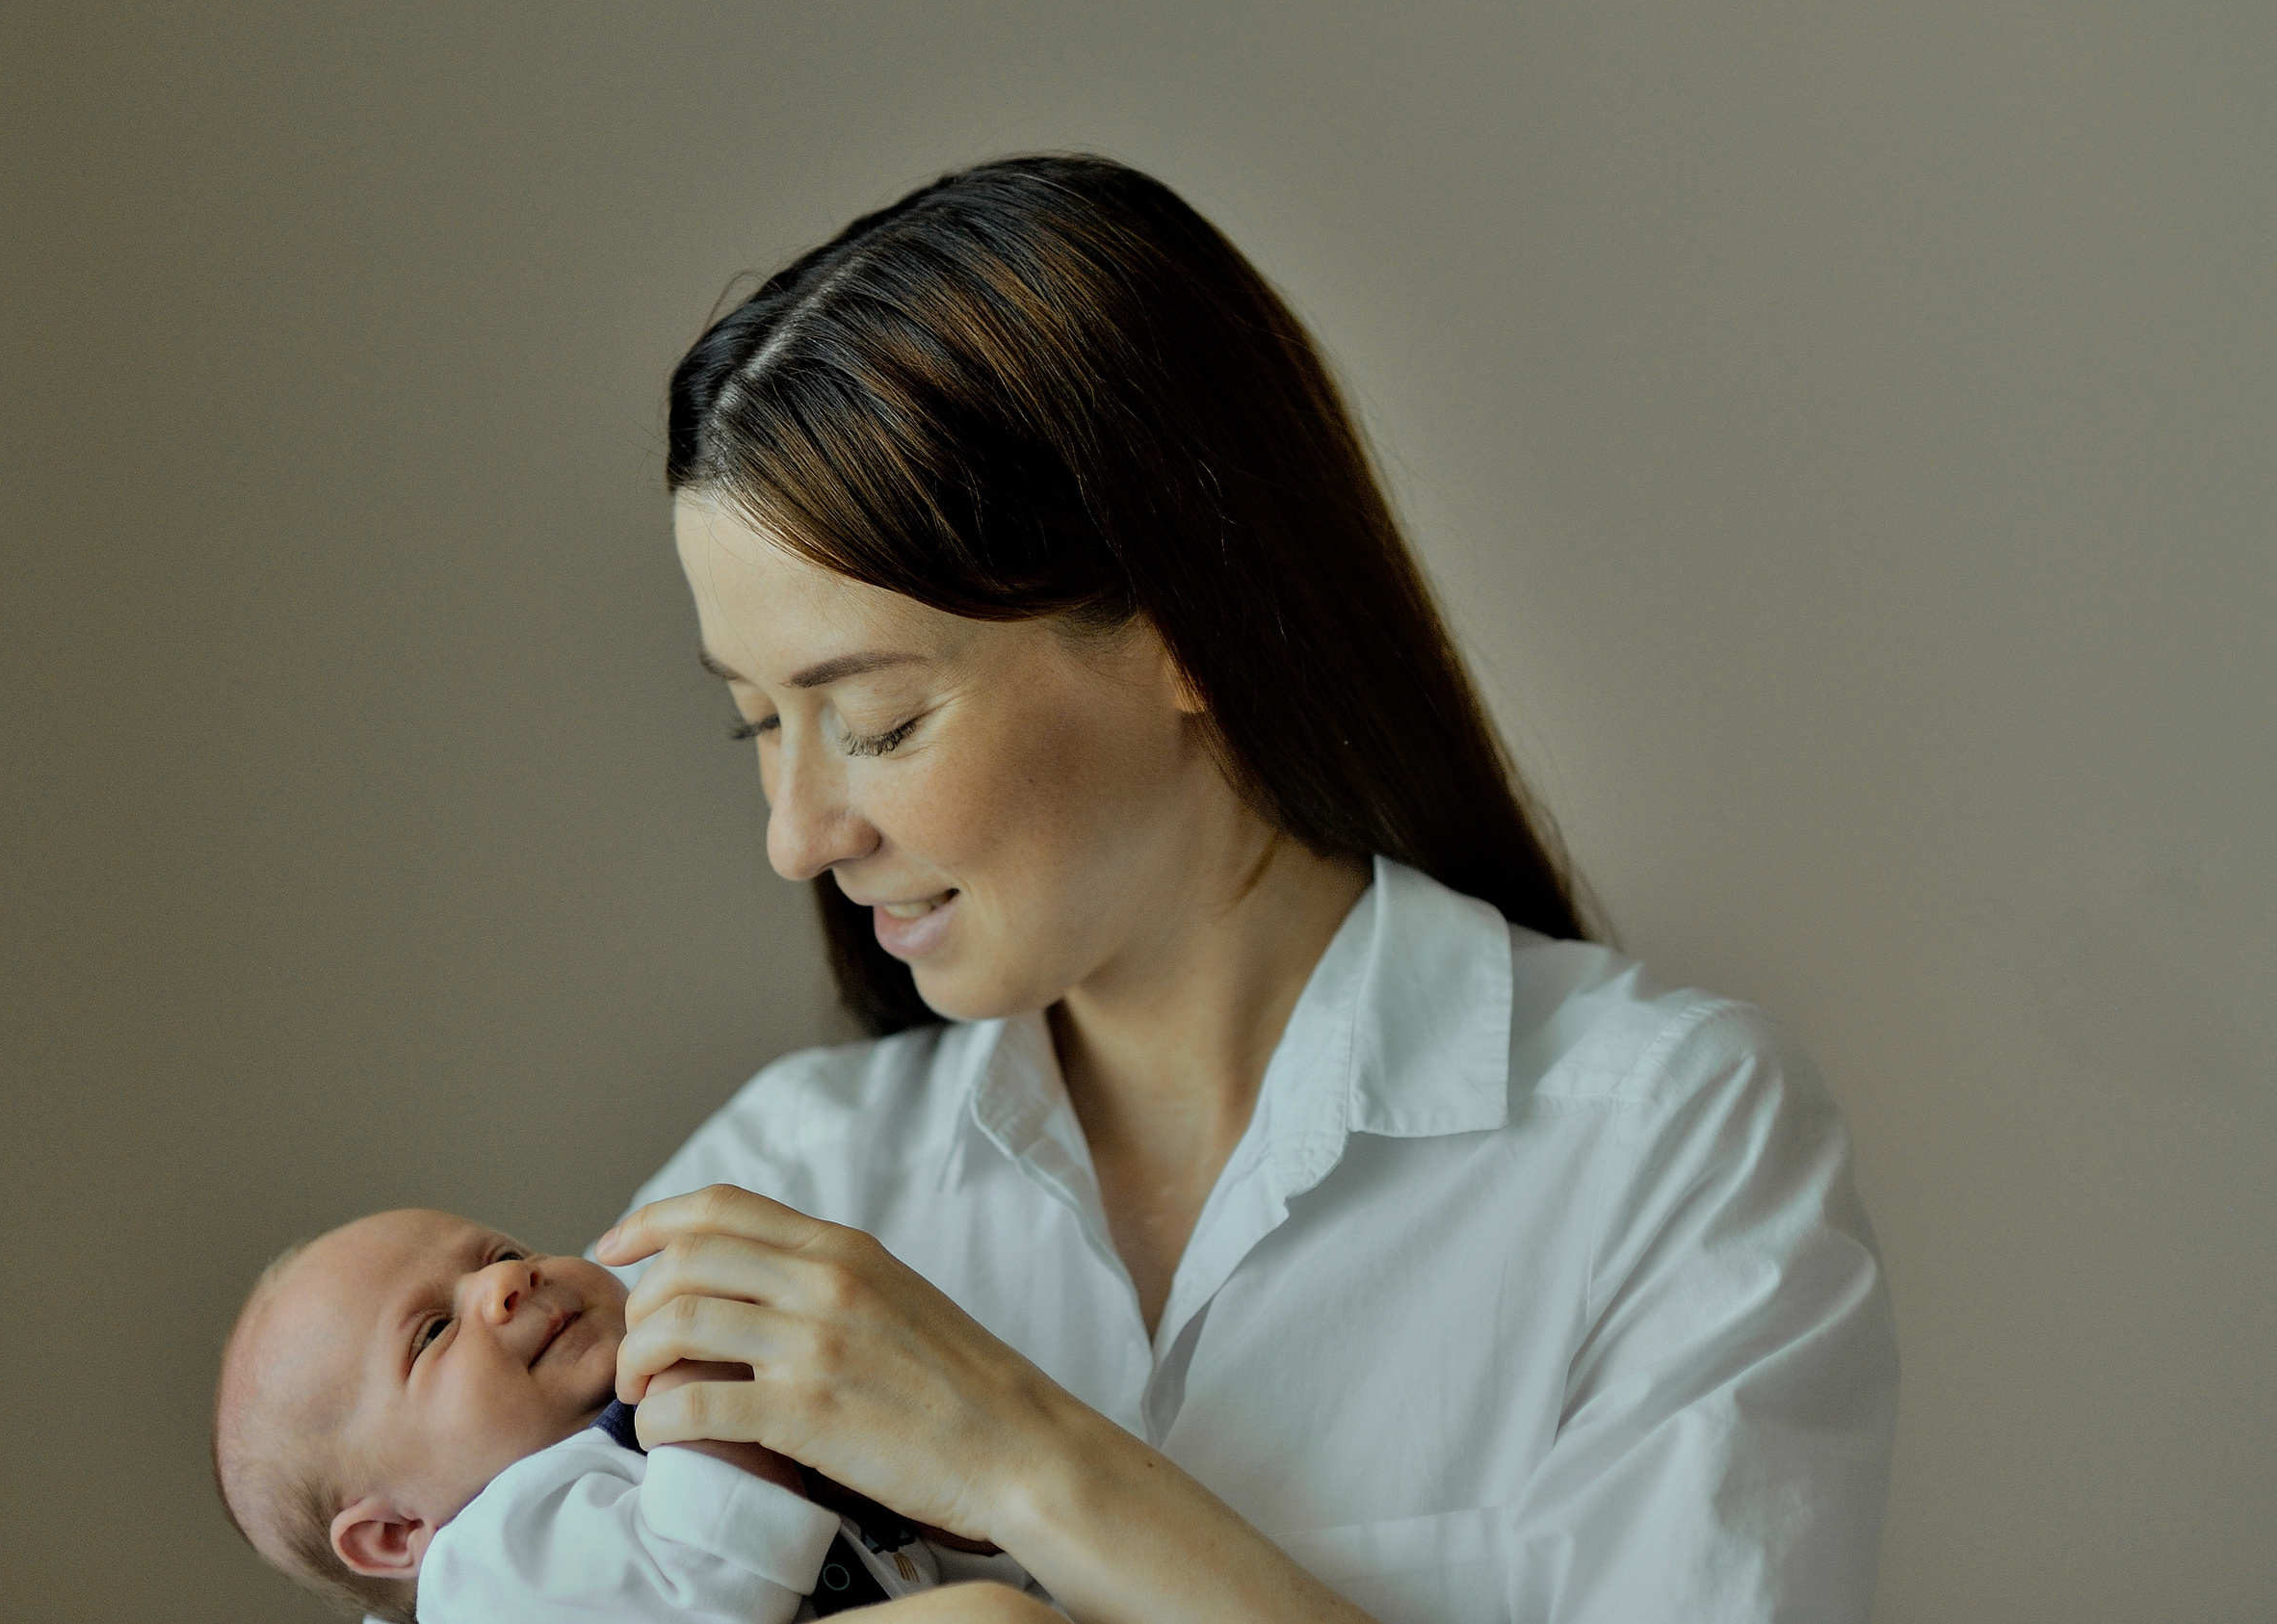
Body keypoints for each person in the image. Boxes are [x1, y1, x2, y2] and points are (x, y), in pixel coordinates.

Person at [589, 153, 1900, 1624]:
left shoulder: (1670, 1146)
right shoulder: (783, 1189)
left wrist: (1019, 1458)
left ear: (1188, 628)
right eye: (758, 724)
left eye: (878, 719)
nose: (797, 834)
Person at [211, 1208, 1038, 1622]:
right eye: (433, 1332)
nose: (507, 1285)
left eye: (502, 1255)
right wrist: (702, 1362)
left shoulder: (645, 1427)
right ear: (395, 1534)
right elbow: (712, 1586)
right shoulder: (489, 1570)